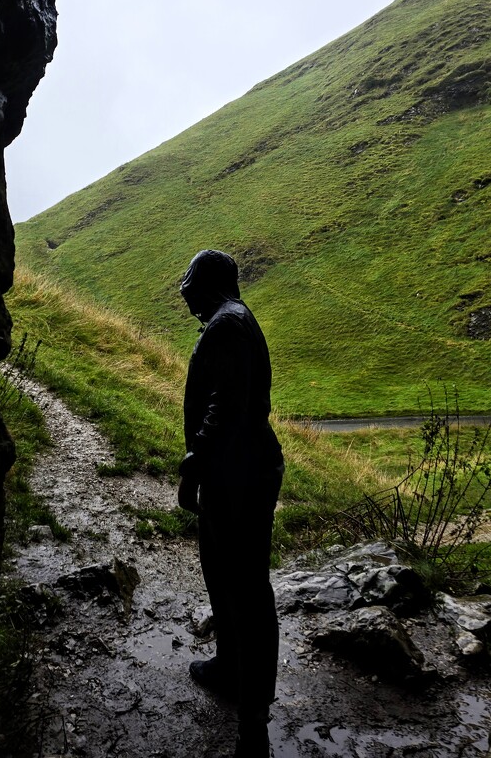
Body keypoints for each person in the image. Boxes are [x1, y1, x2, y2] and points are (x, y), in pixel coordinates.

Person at [178, 249, 284, 758]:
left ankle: (254, 720)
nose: (182, 289)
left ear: (208, 282)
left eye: (188, 279)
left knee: (247, 589)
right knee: (219, 571)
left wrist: (195, 455)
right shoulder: (230, 320)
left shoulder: (228, 325)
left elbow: (226, 403)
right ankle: (227, 665)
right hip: (231, 472)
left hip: (239, 475)